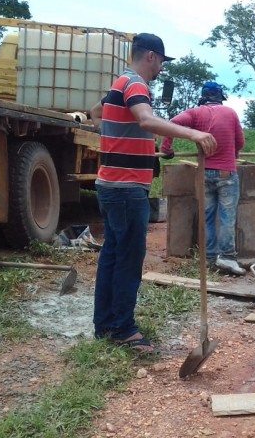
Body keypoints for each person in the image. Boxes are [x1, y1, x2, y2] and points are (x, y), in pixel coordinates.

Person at [90, 33, 217, 353]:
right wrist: (193, 134)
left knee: (112, 256)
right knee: (129, 260)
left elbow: (96, 112)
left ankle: (105, 324)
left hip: (109, 184)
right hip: (126, 187)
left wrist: (131, 143)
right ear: (150, 56)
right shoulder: (135, 84)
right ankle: (122, 329)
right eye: (161, 61)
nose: (161, 67)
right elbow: (146, 120)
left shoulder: (119, 84)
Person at [160, 81, 246, 275]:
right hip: (226, 174)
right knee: (227, 218)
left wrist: (166, 148)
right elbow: (240, 141)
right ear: (220, 97)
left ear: (204, 97)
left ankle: (208, 258)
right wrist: (234, 154)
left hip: (204, 173)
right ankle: (227, 258)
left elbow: (171, 124)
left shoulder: (194, 113)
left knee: (207, 217)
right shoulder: (230, 113)